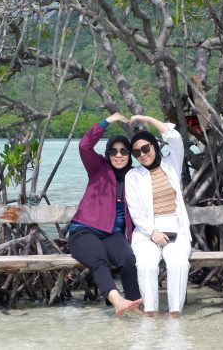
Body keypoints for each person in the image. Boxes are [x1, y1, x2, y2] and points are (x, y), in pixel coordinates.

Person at [67, 112, 143, 316]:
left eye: (124, 151)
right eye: (114, 151)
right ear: (108, 153)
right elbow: (84, 145)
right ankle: (117, 301)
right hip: (84, 231)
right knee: (98, 259)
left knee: (128, 258)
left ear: (129, 155)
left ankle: (135, 306)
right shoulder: (97, 167)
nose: (119, 155)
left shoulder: (135, 176)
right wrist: (107, 121)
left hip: (112, 234)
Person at [125, 114, 192, 318]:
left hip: (176, 228)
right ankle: (151, 314)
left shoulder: (172, 165)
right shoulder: (133, 176)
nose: (142, 154)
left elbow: (175, 138)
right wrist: (151, 232)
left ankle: (174, 315)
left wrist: (146, 119)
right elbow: (135, 210)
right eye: (137, 152)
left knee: (178, 263)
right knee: (146, 264)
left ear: (155, 146)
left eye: (146, 148)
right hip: (146, 232)